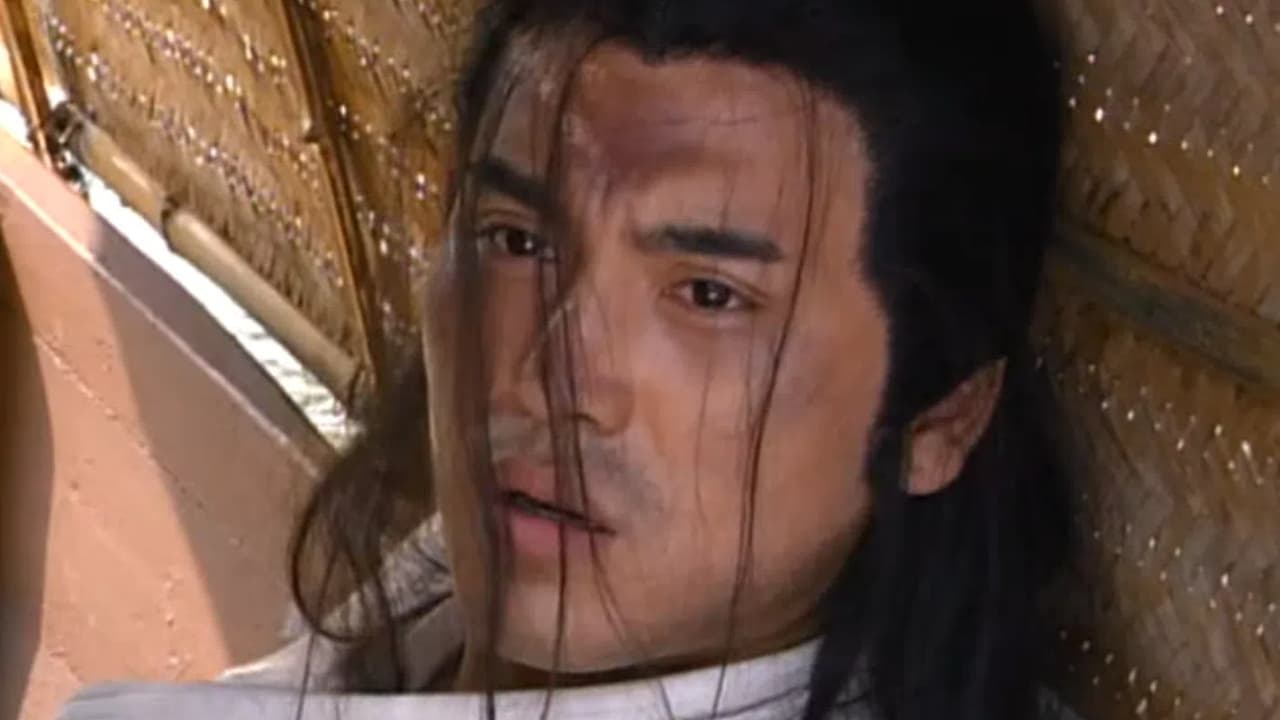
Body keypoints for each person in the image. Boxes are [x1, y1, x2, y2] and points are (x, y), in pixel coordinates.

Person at [61, 0, 1074, 718]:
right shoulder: (446, 591)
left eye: (708, 296)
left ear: (939, 420)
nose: (548, 379)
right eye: (516, 240)